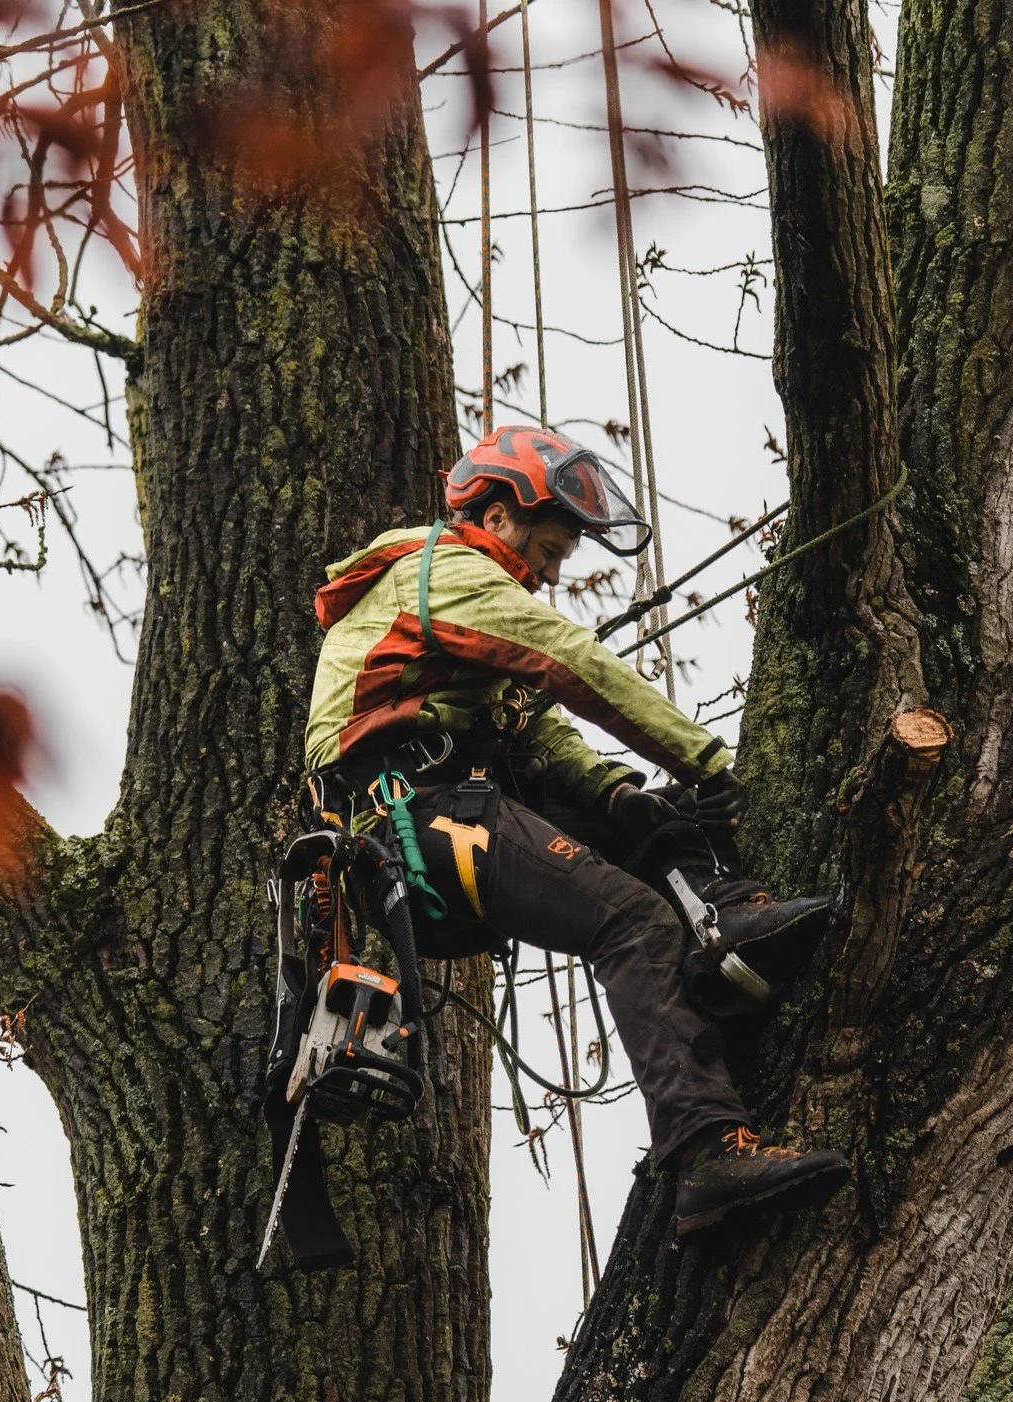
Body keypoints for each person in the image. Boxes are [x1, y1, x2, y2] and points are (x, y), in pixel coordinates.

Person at [303, 425, 849, 1234]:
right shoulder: (445, 569)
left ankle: (727, 924)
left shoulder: (467, 606)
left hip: (458, 803)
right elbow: (566, 659)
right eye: (551, 549)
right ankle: (704, 1153)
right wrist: (705, 758)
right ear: (496, 515)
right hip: (410, 819)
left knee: (652, 815)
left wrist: (621, 794)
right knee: (628, 919)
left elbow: (534, 721)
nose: (553, 573)